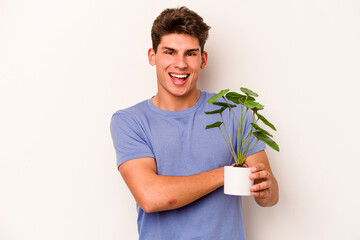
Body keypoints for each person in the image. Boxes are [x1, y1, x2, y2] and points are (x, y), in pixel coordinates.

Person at [110, 6, 279, 240]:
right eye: (170, 52)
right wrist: (226, 174)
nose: (180, 64)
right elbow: (150, 196)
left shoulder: (234, 113)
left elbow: (269, 197)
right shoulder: (130, 121)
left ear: (203, 59)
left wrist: (266, 190)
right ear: (152, 56)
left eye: (190, 53)